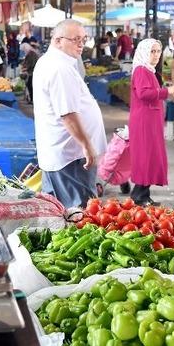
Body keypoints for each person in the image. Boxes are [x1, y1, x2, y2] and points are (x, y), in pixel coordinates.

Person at [33, 19, 107, 208]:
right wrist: (87, 145)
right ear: (58, 40)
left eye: (84, 39)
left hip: (62, 155)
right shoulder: (59, 68)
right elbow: (68, 114)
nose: (81, 44)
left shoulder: (54, 62)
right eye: (75, 39)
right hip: (71, 157)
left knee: (58, 211)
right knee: (80, 214)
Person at [129, 39, 174, 205]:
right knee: (146, 155)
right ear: (144, 52)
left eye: (158, 51)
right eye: (152, 51)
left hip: (150, 119)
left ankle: (143, 194)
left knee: (151, 155)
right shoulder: (141, 71)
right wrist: (166, 91)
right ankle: (139, 196)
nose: (156, 55)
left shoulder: (148, 70)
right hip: (145, 120)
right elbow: (144, 93)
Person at [21, 39, 41, 103]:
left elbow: (31, 63)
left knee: (30, 85)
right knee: (30, 86)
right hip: (32, 72)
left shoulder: (31, 53)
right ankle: (31, 99)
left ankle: (32, 99)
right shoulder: (31, 52)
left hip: (32, 72)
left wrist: (25, 68)